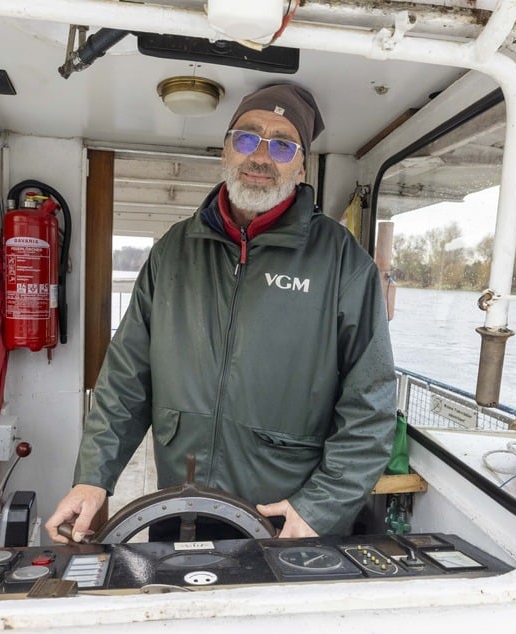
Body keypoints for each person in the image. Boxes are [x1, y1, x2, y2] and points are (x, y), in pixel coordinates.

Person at [45, 83, 396, 543]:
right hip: (178, 504)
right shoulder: (173, 250)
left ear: (301, 165)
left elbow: (370, 406)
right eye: (247, 138)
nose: (261, 157)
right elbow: (126, 378)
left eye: (282, 145)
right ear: (226, 150)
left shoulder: (344, 263)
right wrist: (93, 476)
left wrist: (319, 509)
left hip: (285, 518)